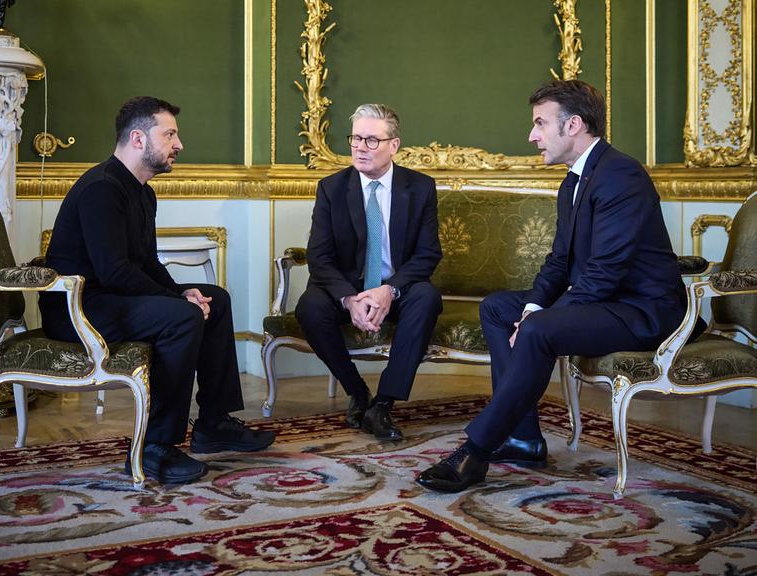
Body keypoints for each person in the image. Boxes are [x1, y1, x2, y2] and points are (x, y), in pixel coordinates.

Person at [417, 80, 688, 492]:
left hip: (643, 309)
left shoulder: (621, 175)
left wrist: (539, 318)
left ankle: (476, 450)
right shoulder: (573, 180)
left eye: (540, 123)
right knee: (498, 307)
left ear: (574, 124)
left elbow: (606, 270)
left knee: (539, 328)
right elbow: (560, 261)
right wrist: (531, 307)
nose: (532, 135)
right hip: (605, 301)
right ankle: (523, 438)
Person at [39, 96, 275, 484]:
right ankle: (155, 447)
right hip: (78, 308)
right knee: (181, 317)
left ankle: (213, 423)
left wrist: (186, 293)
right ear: (137, 138)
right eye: (169, 134)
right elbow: (114, 272)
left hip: (111, 299)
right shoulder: (102, 187)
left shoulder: (143, 191)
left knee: (215, 298)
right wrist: (178, 301)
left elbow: (146, 264)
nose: (178, 144)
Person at [296, 103, 443, 441]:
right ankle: (357, 391)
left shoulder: (419, 187)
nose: (361, 147)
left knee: (427, 296)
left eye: (371, 140)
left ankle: (383, 404)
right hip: (346, 286)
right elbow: (319, 256)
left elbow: (427, 254)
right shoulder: (332, 188)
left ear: (394, 145)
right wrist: (349, 298)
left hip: (397, 287)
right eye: (356, 138)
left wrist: (388, 291)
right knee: (310, 306)